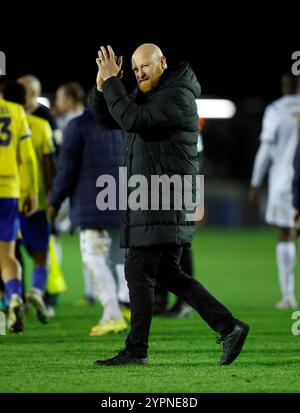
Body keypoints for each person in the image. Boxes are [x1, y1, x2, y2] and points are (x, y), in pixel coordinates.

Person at [92, 43, 249, 366]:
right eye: (134, 70)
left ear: (162, 62)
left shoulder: (176, 96)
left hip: (161, 197)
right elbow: (110, 119)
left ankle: (136, 351)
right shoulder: (151, 96)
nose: (139, 74)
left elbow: (131, 118)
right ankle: (229, 326)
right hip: (153, 198)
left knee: (138, 270)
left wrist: (113, 84)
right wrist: (101, 88)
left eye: (145, 66)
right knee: (168, 273)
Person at [48, 101, 129, 336]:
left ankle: (113, 314)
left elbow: (67, 168)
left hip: (92, 202)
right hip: (123, 200)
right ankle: (126, 305)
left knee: (93, 257)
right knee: (121, 257)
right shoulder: (125, 121)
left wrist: (54, 201)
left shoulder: (79, 125)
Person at [2, 82, 55, 324]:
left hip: (13, 193)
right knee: (38, 253)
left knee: (8, 254)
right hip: (28, 197)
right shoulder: (38, 124)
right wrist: (45, 195)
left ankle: (11, 299)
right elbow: (43, 164)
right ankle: (33, 292)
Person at [249, 72, 300, 309]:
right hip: (288, 182)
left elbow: (265, 150)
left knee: (285, 234)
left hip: (284, 182)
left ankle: (288, 295)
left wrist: (255, 182)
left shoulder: (276, 110)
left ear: (285, 86)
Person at [0, 91, 38, 332]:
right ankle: (15, 296)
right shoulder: (15, 111)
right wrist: (31, 192)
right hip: (9, 190)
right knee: (7, 254)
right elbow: (28, 157)